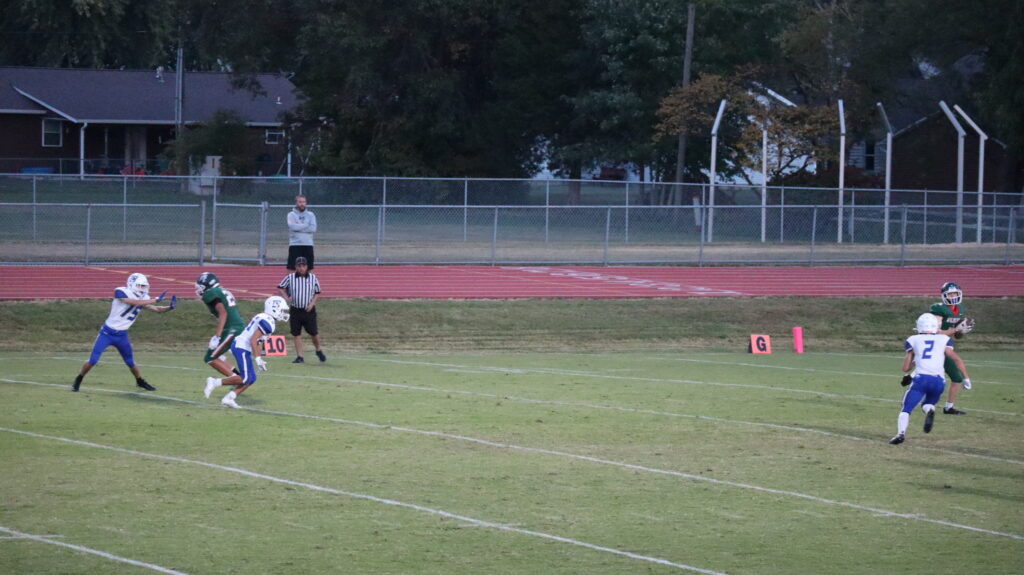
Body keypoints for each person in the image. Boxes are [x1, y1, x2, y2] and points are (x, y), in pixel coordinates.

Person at [72, 273, 175, 392]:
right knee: (93, 360)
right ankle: (79, 379)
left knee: (130, 362)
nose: (142, 288)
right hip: (107, 333)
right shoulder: (121, 291)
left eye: (144, 286)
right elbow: (133, 302)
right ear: (131, 284)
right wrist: (155, 299)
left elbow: (157, 309)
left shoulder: (144, 298)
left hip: (122, 335)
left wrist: (169, 307)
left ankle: (139, 381)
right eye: (140, 285)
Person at [890, 313, 972, 445]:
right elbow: (956, 359)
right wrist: (966, 378)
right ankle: (930, 411)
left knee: (906, 408)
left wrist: (914, 361)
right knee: (928, 404)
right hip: (939, 381)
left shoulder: (913, 339)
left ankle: (900, 434)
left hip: (921, 380)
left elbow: (906, 368)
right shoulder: (943, 339)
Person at [204, 296, 290, 408]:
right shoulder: (268, 322)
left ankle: (229, 398)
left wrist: (259, 356)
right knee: (245, 378)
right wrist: (258, 358)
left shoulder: (263, 316)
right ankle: (214, 382)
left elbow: (256, 340)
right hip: (242, 347)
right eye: (281, 310)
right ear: (274, 308)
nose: (283, 313)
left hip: (242, 346)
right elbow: (253, 340)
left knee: (251, 378)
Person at [908, 282, 975, 415]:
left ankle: (947, 406)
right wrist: (955, 329)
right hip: (937, 345)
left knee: (939, 375)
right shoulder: (939, 309)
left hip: (946, 344)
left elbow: (957, 335)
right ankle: (944, 406)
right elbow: (935, 331)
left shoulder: (960, 309)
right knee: (953, 376)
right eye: (950, 294)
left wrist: (962, 330)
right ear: (944, 295)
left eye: (954, 293)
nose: (953, 296)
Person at [195, 272, 246, 378]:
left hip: (232, 329)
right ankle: (237, 376)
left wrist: (217, 336)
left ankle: (237, 380)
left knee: (210, 358)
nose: (199, 289)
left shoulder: (210, 293)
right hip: (236, 327)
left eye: (201, 287)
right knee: (217, 355)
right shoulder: (221, 291)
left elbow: (223, 313)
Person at [276, 256, 325, 363]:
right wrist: (286, 297)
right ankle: (300, 356)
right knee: (296, 333)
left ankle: (318, 349)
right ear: (296, 267)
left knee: (314, 333)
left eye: (303, 266)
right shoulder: (290, 277)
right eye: (299, 266)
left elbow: (317, 292)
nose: (301, 268)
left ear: (307, 267)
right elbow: (280, 287)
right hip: (295, 310)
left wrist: (312, 304)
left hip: (308, 310)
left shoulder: (313, 278)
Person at [287, 194, 317, 270]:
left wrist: (299, 227)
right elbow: (293, 227)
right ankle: (291, 279)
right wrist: (306, 225)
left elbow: (313, 229)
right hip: (295, 244)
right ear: (296, 203)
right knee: (292, 268)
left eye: (304, 202)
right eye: (300, 202)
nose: (302, 204)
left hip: (308, 244)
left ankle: (308, 279)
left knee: (309, 268)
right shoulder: (291, 214)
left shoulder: (311, 215)